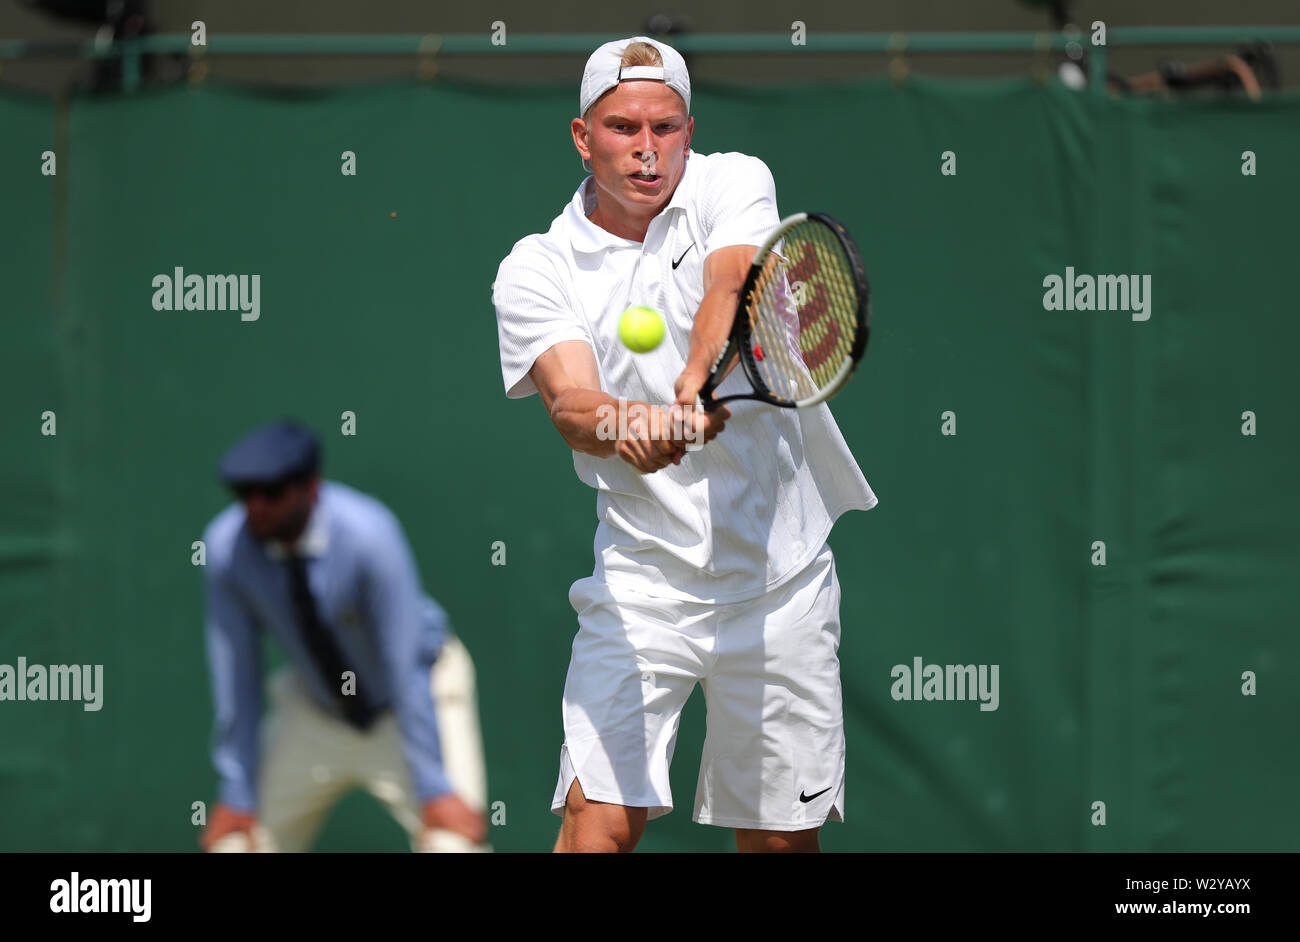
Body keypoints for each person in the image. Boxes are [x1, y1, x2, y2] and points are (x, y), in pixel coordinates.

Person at [491, 36, 878, 853]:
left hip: (781, 582)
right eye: (624, 127)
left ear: (689, 128)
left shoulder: (734, 181)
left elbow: (732, 282)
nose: (646, 148)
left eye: (665, 127)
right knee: (596, 829)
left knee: (778, 844)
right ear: (581, 135)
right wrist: (634, 428)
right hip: (642, 584)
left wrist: (698, 372)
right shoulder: (537, 265)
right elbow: (570, 402)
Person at [198, 420, 488, 852]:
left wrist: (433, 787)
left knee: (453, 845)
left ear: (310, 488)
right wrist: (236, 791)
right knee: (234, 847)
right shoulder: (225, 549)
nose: (256, 508)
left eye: (273, 493)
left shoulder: (369, 535)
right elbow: (236, 672)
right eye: (245, 494)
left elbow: (403, 662)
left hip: (419, 699)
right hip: (315, 710)